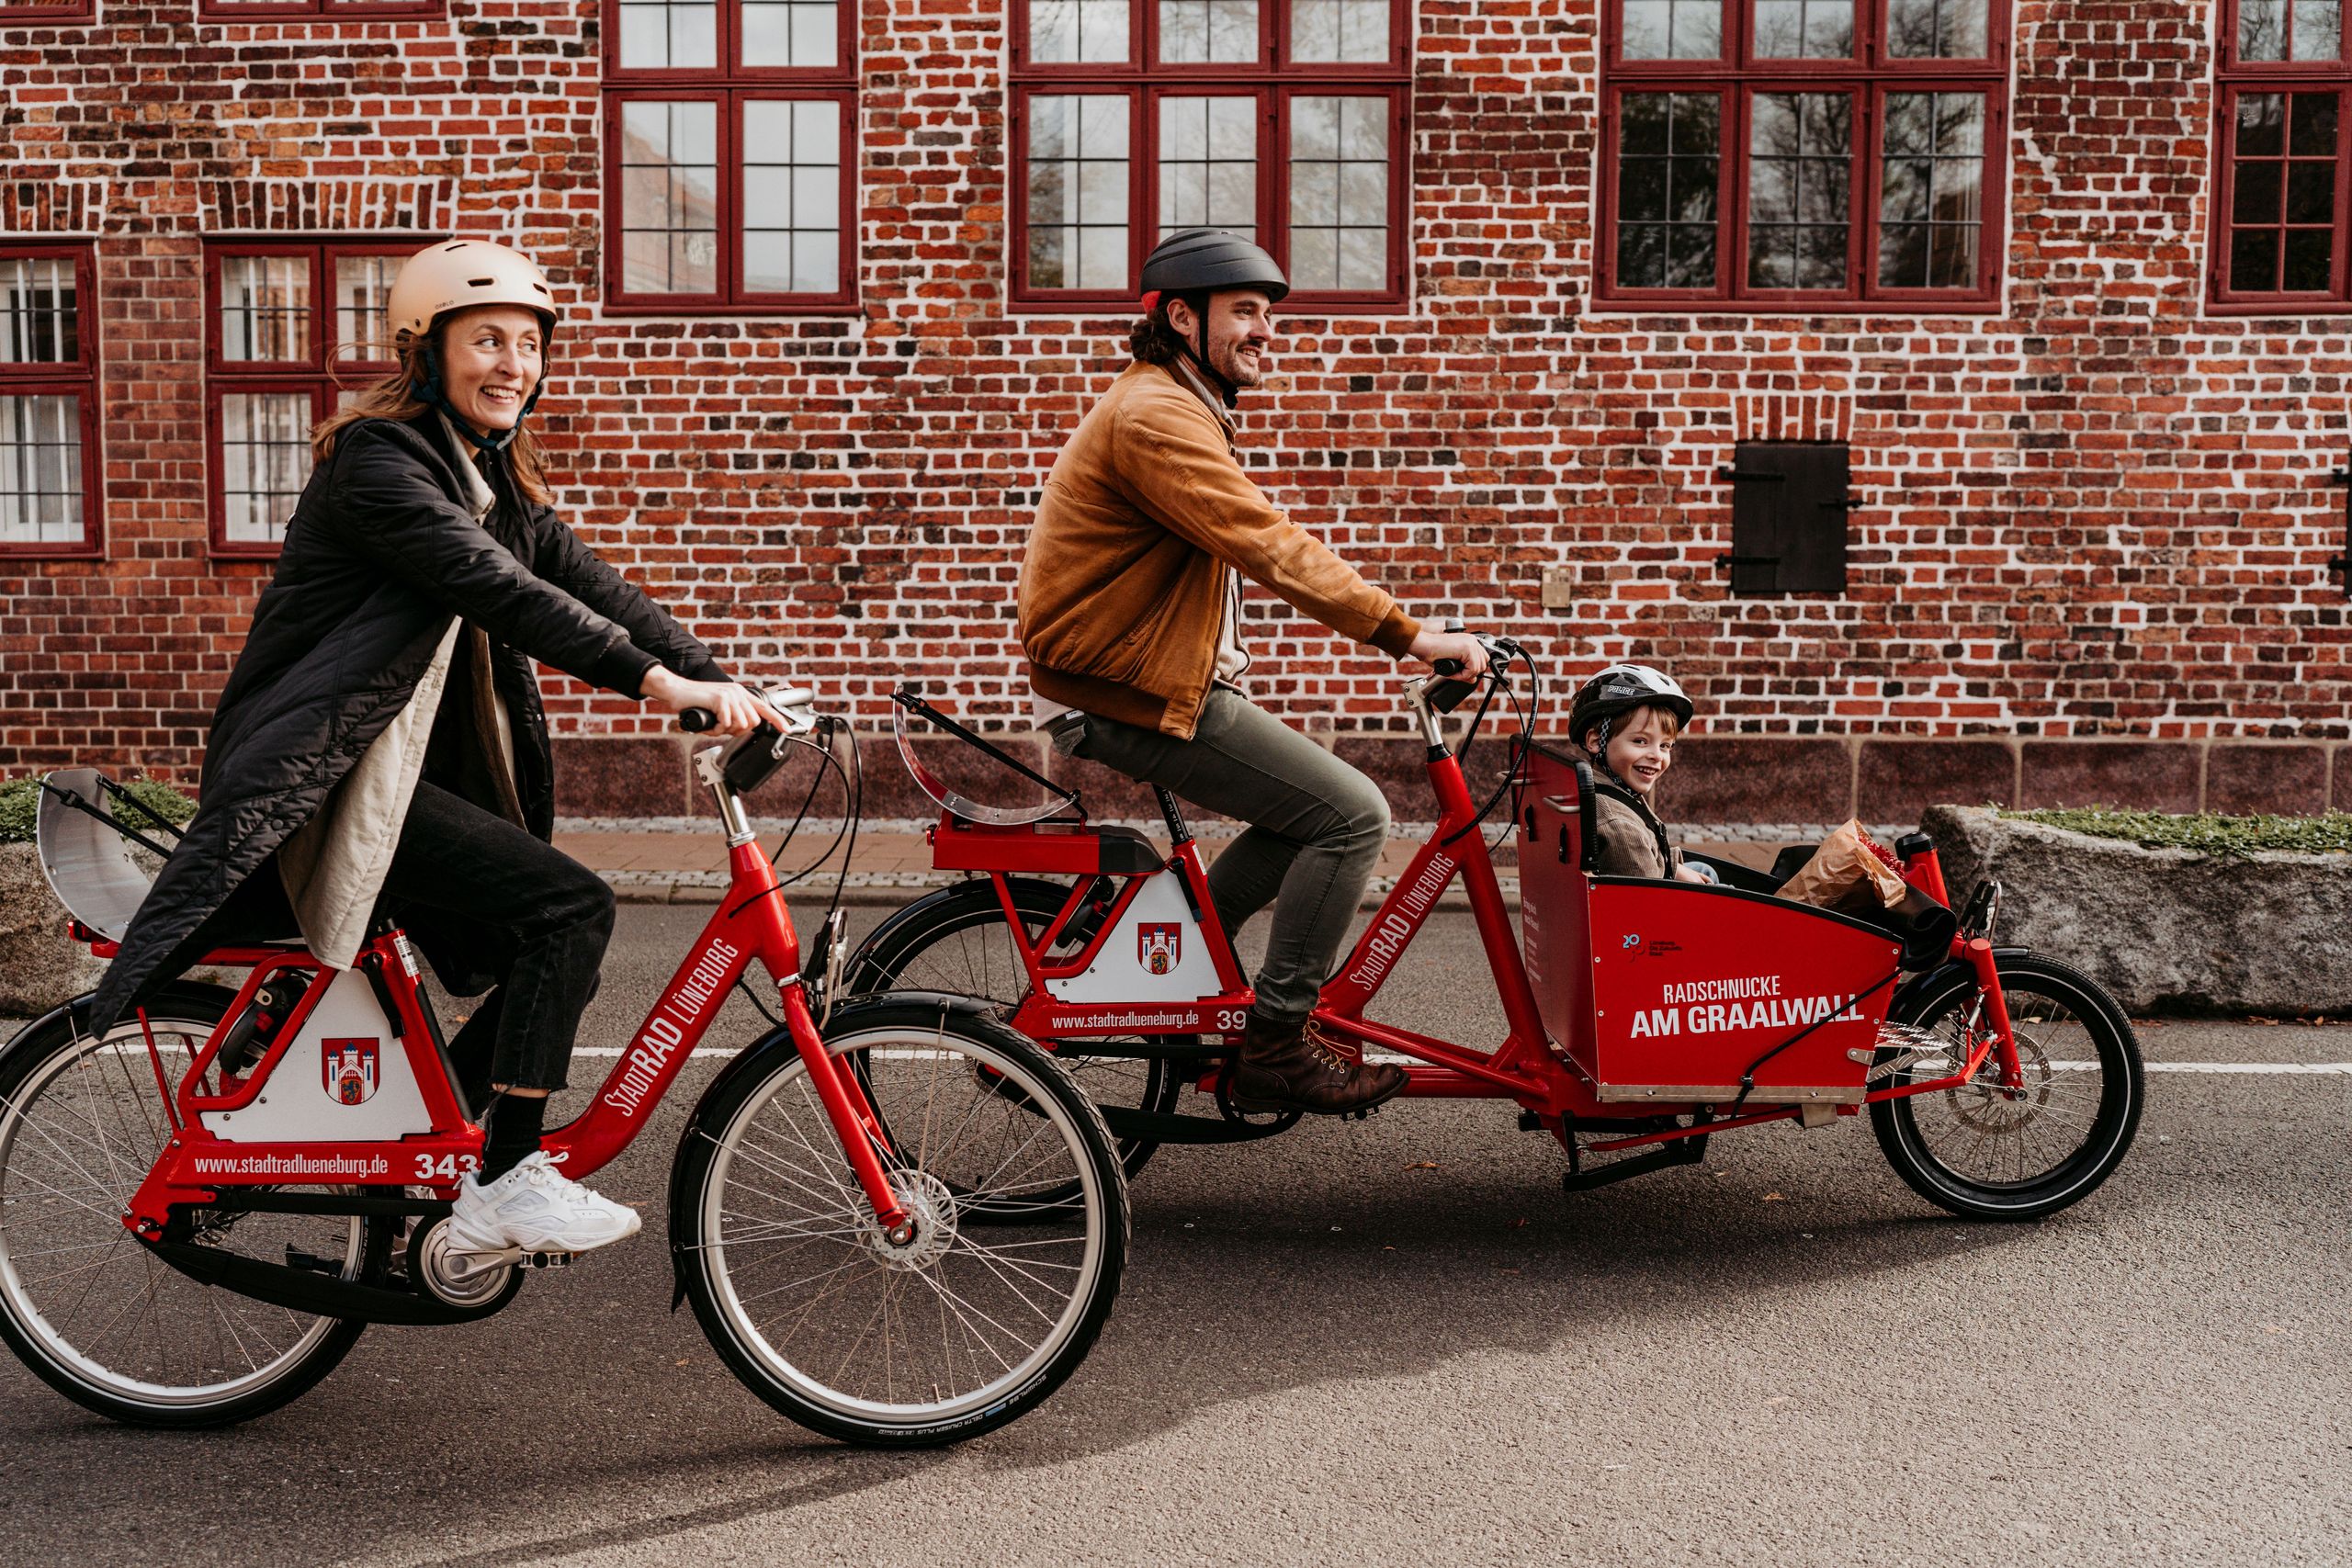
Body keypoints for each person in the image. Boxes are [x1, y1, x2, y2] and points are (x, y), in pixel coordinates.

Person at [87, 239, 787, 1257]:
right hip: (325, 778)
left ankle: (450, 1150)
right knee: (571, 909)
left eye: (529, 344)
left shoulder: (488, 477)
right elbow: (500, 590)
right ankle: (503, 1177)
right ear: (426, 350)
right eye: (487, 340)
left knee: (547, 949)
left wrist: (729, 682)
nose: (514, 363)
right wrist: (658, 685)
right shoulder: (381, 467)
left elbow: (593, 586)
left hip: (387, 771)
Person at [1016, 228, 1487, 1117]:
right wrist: (1406, 633)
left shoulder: (1178, 404)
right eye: (1245, 313)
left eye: (1268, 315)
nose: (1265, 331)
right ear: (1180, 317)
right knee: (1352, 816)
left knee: (1300, 820)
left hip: (1137, 678)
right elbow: (1263, 541)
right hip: (1124, 689)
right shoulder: (1154, 415)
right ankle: (1275, 1045)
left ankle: (1181, 959)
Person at [1567, 662, 1714, 885]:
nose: (1657, 755)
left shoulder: (1605, 788)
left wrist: (1674, 868)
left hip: (1651, 873)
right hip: (1652, 908)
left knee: (1703, 870)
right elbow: (1650, 899)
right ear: (1597, 741)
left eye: (1665, 745)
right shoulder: (1619, 827)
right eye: (1640, 741)